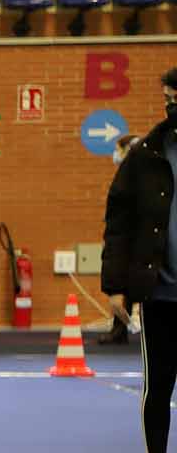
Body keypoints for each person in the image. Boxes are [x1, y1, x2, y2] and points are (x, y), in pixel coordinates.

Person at [102, 68, 177, 453]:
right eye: (167, 97)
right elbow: (118, 223)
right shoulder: (146, 155)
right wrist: (115, 284)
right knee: (159, 383)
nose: (170, 105)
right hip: (159, 292)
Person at [100, 134, 142, 347]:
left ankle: (127, 326)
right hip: (123, 237)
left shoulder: (136, 176)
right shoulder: (126, 176)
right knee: (122, 287)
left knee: (123, 288)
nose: (115, 154)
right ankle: (120, 329)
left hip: (130, 240)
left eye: (118, 149)